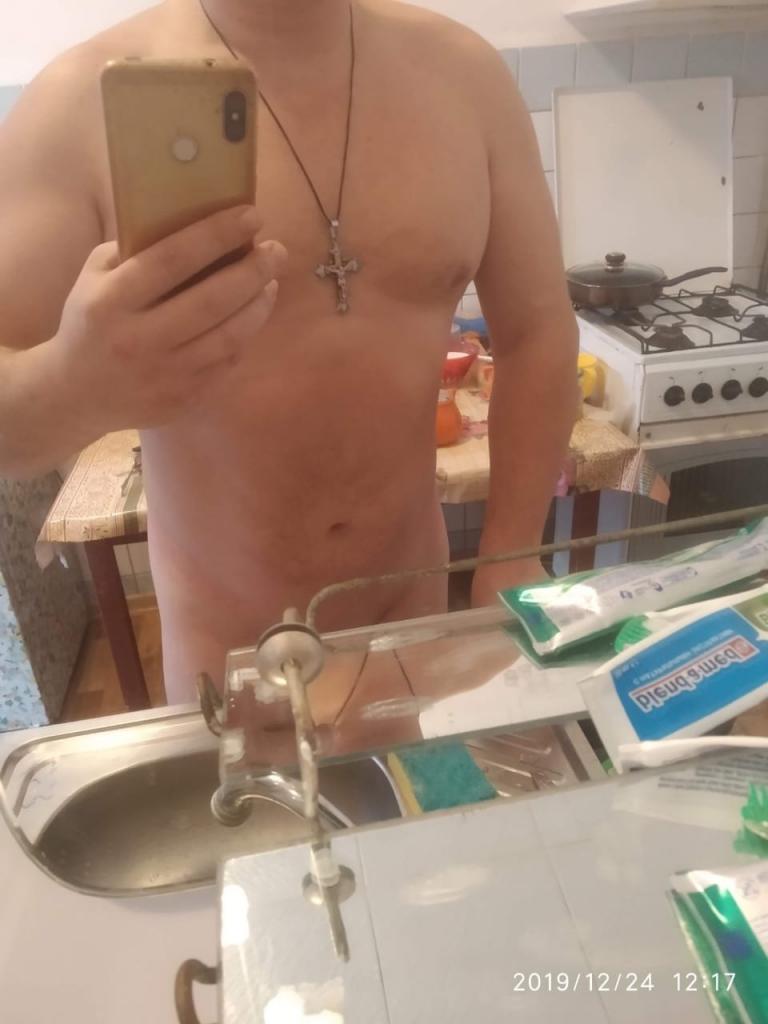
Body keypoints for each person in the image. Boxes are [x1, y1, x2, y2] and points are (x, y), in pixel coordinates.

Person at [0, 0, 578, 705]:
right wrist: (74, 385)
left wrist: (511, 557)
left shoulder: (467, 77)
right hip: (229, 651)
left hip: (412, 620)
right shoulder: (76, 102)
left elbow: (538, 332)